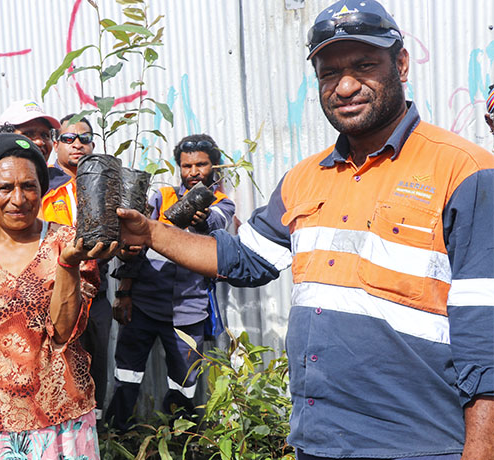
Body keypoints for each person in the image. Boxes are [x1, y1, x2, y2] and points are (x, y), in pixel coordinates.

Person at [116, 1, 494, 458]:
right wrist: (150, 234)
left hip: (418, 442)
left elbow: (485, 329)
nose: (346, 86)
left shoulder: (464, 171)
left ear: (402, 64)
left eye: (364, 65)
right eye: (329, 73)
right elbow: (245, 260)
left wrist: (482, 447)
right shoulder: (305, 177)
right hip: (318, 438)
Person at [0, 133, 117, 460]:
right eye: (5, 188)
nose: (19, 199)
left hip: (62, 420)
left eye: (29, 186)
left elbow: (64, 331)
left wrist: (68, 265)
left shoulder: (69, 242)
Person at [105, 134, 235, 431]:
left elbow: (213, 222)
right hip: (144, 306)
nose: (194, 172)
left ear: (213, 165)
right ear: (179, 167)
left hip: (189, 311)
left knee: (184, 386)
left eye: (201, 164)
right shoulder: (161, 197)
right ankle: (116, 437)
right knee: (126, 376)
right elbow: (134, 247)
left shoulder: (221, 203)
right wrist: (124, 291)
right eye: (187, 165)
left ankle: (178, 441)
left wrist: (199, 220)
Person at [39, 114, 113, 424]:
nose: (77, 144)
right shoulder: (42, 183)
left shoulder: (105, 182)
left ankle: (96, 437)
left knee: (95, 370)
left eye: (84, 138)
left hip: (97, 293)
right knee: (57, 367)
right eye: (69, 138)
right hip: (54, 294)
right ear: (56, 144)